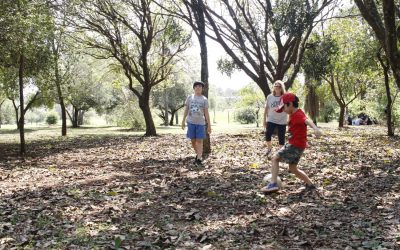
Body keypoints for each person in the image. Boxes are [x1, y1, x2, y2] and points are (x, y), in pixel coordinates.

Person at [261, 93, 322, 194]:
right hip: (299, 145)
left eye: (283, 107)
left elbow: (307, 121)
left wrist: (315, 128)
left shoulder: (298, 115)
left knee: (275, 158)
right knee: (293, 168)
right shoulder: (293, 114)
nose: (283, 110)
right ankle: (310, 185)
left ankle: (273, 184)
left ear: (289, 104)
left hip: (295, 144)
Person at [181, 81, 212, 164]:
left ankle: (199, 158)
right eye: (196, 86)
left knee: (199, 141)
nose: (198, 88)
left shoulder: (204, 99)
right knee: (193, 141)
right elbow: (186, 109)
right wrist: (183, 120)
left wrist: (209, 125)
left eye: (200, 86)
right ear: (194, 88)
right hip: (190, 122)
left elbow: (206, 113)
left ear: (202, 89)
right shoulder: (189, 97)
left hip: (201, 123)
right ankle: (198, 154)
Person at [263, 80, 288, 157]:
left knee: (281, 138)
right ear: (273, 87)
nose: (277, 87)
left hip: (282, 120)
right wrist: (264, 120)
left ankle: (280, 153)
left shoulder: (285, 97)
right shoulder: (270, 97)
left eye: (279, 86)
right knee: (267, 134)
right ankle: (269, 149)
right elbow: (266, 108)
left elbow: (289, 108)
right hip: (271, 119)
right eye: (275, 86)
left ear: (282, 88)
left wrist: (289, 120)